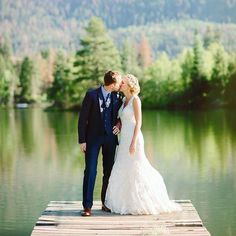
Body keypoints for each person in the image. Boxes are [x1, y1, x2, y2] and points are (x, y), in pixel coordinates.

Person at [105, 74, 182, 215]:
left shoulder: (135, 100)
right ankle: (126, 202)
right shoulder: (123, 100)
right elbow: (122, 118)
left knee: (136, 167)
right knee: (123, 167)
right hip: (123, 140)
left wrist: (133, 142)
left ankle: (142, 200)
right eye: (121, 82)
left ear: (129, 86)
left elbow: (138, 122)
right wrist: (118, 125)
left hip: (134, 138)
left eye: (123, 82)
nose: (120, 84)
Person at [78, 70, 123, 216]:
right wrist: (82, 140)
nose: (120, 85)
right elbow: (82, 119)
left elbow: (123, 115)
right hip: (92, 139)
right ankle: (87, 206)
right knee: (90, 171)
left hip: (110, 139)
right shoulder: (91, 95)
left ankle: (105, 203)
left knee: (108, 171)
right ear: (112, 84)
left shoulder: (118, 96)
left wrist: (119, 124)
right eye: (118, 83)